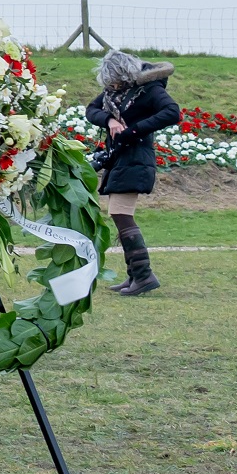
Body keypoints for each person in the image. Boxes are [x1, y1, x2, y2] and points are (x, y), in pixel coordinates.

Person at [85, 50, 180, 297]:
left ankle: (143, 275)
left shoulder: (150, 90)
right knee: (118, 214)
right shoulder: (114, 93)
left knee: (120, 213)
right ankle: (135, 275)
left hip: (137, 157)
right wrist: (109, 121)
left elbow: (172, 113)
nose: (111, 85)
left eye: (114, 79)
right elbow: (91, 110)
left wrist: (134, 131)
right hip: (119, 159)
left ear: (125, 75)